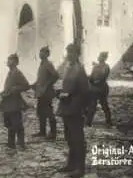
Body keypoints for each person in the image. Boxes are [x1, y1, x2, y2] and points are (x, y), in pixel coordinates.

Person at [56, 43, 90, 178]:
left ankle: (80, 169)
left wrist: (83, 107)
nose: (68, 55)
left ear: (77, 54)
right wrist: (60, 92)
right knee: (69, 137)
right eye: (67, 52)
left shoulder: (79, 69)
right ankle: (71, 164)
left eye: (71, 52)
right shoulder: (68, 68)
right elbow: (67, 87)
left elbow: (85, 91)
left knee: (78, 138)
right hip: (66, 107)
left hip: (75, 108)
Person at [0, 53, 30, 151]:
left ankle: (21, 143)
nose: (8, 62)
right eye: (8, 60)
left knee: (17, 123)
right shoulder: (10, 72)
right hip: (8, 102)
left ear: (16, 62)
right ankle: (11, 143)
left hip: (14, 102)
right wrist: (4, 92)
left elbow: (26, 85)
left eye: (11, 60)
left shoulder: (17, 72)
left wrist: (14, 89)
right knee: (9, 123)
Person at [31, 46, 59, 140]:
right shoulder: (42, 64)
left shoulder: (48, 64)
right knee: (41, 112)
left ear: (47, 54)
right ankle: (42, 132)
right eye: (40, 52)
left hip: (46, 93)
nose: (40, 54)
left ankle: (53, 133)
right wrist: (34, 85)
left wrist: (47, 85)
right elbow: (41, 79)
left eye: (43, 52)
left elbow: (55, 76)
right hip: (41, 92)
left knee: (49, 112)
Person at [86, 52, 113, 128]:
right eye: (99, 56)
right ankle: (88, 122)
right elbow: (91, 77)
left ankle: (108, 121)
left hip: (101, 88)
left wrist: (93, 81)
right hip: (96, 88)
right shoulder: (96, 66)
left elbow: (103, 77)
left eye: (101, 56)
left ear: (104, 58)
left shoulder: (105, 67)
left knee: (103, 105)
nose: (99, 57)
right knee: (93, 105)